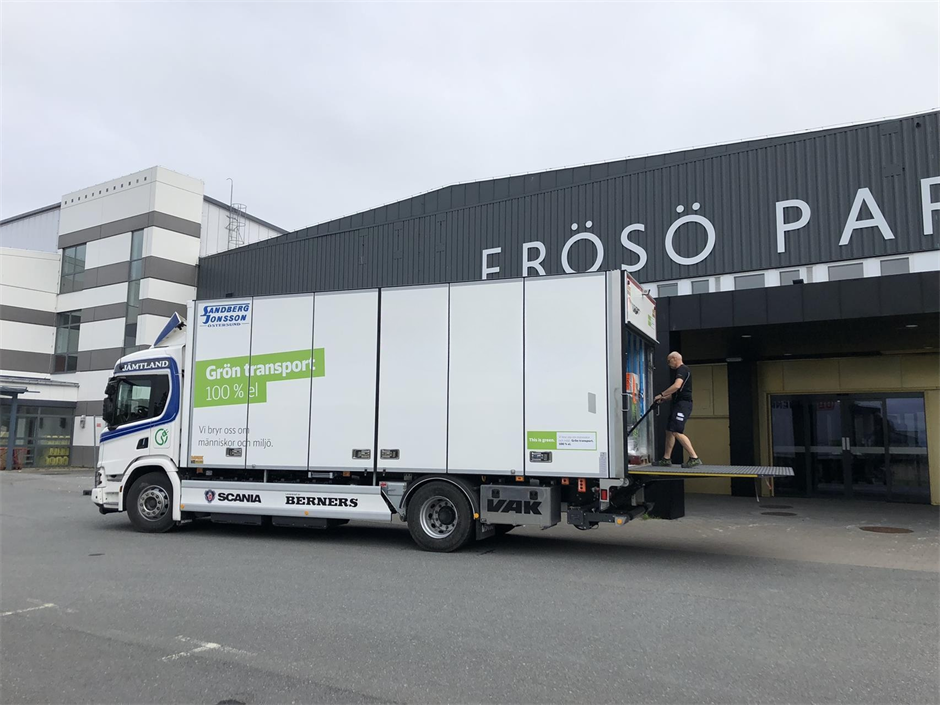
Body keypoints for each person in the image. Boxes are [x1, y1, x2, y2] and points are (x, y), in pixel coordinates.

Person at [653, 351, 702, 468]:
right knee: (669, 430)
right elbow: (677, 392)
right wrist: (665, 398)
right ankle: (666, 458)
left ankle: (694, 457)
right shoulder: (681, 371)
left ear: (675, 359)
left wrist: (661, 394)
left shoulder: (682, 369)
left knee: (676, 431)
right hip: (678, 403)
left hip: (683, 405)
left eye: (669, 361)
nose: (668, 364)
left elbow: (677, 386)